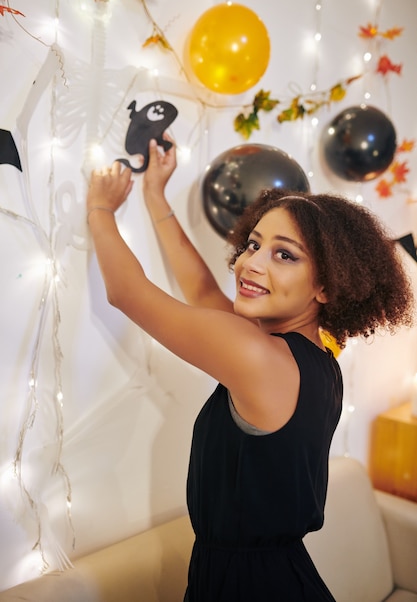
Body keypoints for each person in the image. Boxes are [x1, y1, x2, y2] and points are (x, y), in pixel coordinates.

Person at [87, 136, 414, 602]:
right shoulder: (314, 356)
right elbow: (203, 294)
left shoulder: (258, 356)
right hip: (277, 577)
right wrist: (156, 196)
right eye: (254, 244)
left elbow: (126, 292)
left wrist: (99, 208)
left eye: (285, 254)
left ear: (325, 285)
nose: (250, 264)